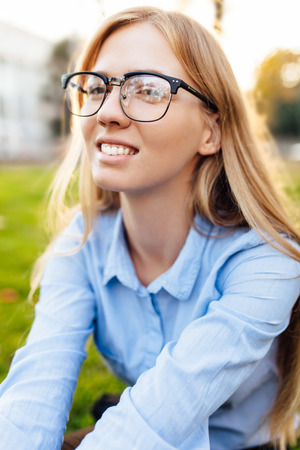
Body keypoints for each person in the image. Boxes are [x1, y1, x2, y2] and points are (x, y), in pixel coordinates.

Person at [0, 6, 299, 450]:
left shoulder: (268, 261)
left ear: (210, 133)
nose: (108, 112)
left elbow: (161, 418)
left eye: (147, 89)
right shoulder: (82, 242)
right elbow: (35, 389)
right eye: (96, 86)